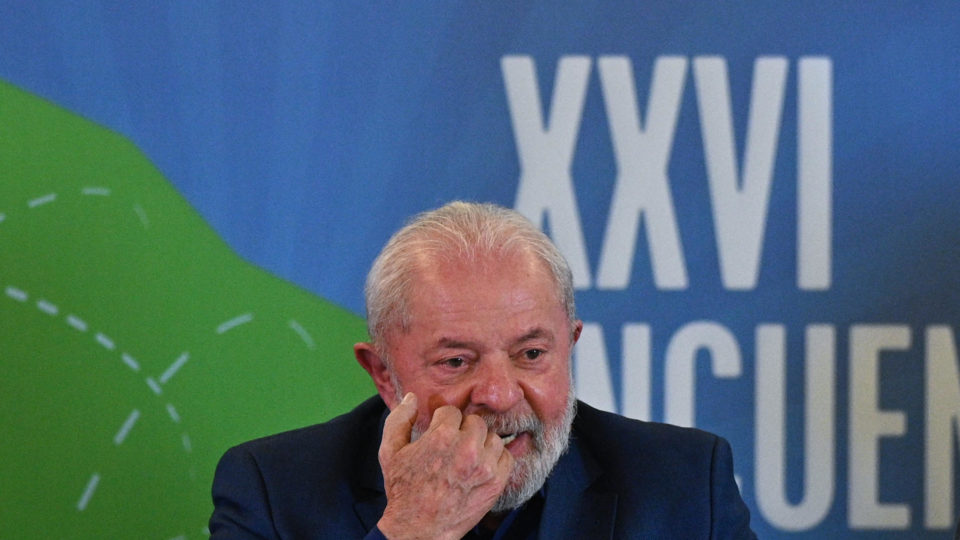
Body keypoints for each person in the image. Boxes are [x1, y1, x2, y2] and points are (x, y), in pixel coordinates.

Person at [209, 201, 756, 539]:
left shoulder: (684, 484)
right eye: (456, 362)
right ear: (384, 375)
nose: (498, 394)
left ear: (570, 346)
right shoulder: (273, 492)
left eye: (531, 354)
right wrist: (412, 531)